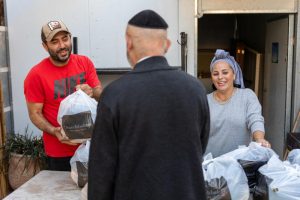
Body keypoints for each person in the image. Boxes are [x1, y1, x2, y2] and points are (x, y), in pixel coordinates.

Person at [88, 10, 210, 200]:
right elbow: (199, 147)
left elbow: (102, 170)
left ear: (128, 43)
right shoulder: (195, 89)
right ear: (167, 45)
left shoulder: (115, 94)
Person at [24, 20, 102, 171]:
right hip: (59, 152)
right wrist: (54, 131)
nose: (62, 46)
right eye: (54, 42)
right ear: (45, 46)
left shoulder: (84, 62)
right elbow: (35, 113)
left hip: (91, 146)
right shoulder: (36, 75)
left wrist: (92, 91)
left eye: (65, 39)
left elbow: (101, 95)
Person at [205, 49, 270, 158]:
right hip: (212, 165)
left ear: (234, 75)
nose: (220, 77)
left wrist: (259, 139)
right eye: (215, 74)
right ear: (212, 77)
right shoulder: (205, 101)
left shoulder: (247, 96)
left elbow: (255, 119)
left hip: (240, 165)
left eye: (225, 72)